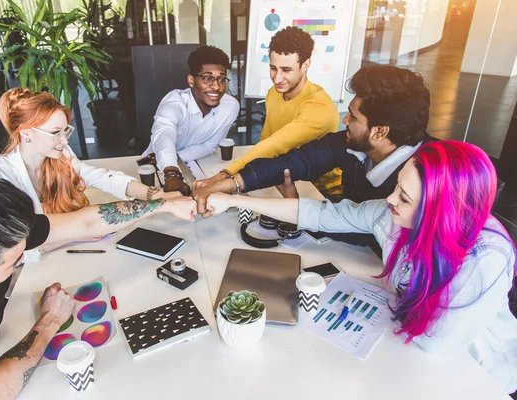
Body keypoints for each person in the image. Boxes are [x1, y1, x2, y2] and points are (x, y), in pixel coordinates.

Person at [204, 141, 517, 393]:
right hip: (406, 349)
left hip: (472, 372)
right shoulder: (393, 213)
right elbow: (321, 213)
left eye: (404, 198)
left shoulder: (485, 257)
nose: (390, 199)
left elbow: (437, 342)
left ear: (438, 213)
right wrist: (236, 201)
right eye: (396, 186)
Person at [0, 173, 197, 399]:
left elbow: (85, 223)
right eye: (14, 260)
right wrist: (50, 320)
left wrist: (163, 204)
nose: (23, 257)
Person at [194, 66, 430, 247]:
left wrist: (295, 212)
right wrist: (227, 185)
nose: (345, 121)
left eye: (354, 117)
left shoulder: (432, 179)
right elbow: (293, 162)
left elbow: (368, 230)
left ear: (379, 131)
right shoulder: (352, 143)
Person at [0, 88, 180, 216]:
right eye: (55, 133)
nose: (64, 140)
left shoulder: (60, 155)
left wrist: (154, 195)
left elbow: (103, 178)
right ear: (26, 132)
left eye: (65, 130)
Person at [194, 26, 340, 196]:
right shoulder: (274, 93)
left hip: (321, 192)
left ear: (305, 65)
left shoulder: (319, 107)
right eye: (273, 68)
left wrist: (224, 175)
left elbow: (275, 145)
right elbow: (266, 140)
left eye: (286, 70)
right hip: (283, 175)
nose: (277, 78)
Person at [139, 45, 240, 196]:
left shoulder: (230, 106)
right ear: (191, 80)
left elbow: (210, 146)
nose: (216, 87)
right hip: (154, 171)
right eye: (207, 78)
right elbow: (163, 134)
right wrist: (171, 171)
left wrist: (174, 162)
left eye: (221, 79)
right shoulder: (174, 103)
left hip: (192, 166)